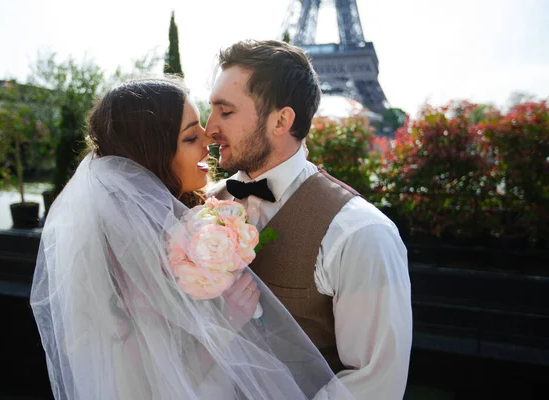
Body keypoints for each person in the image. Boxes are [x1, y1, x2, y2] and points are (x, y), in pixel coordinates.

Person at [30, 78, 353, 399]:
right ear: (153, 156)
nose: (208, 136)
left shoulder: (187, 213)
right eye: (189, 136)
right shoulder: (123, 253)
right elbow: (143, 384)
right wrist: (228, 320)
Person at [207, 40, 413, 399]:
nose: (209, 127)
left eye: (225, 111)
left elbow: (374, 384)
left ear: (281, 120)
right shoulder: (201, 207)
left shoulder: (362, 234)